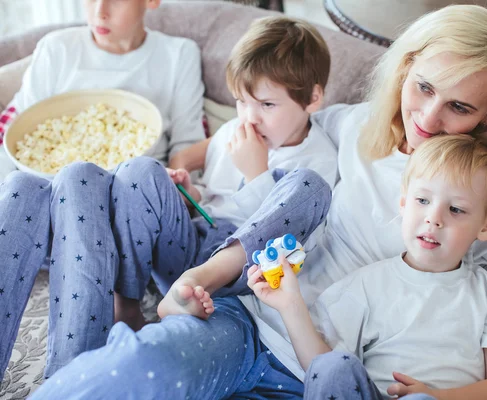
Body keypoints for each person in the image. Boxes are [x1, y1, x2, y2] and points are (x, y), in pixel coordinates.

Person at [33, 4, 487, 400]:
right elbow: (267, 125)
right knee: (137, 366)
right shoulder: (359, 126)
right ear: (407, 67)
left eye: (459, 106)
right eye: (424, 87)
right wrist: (188, 160)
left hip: (342, 381)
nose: (428, 120)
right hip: (248, 325)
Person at [0, 14, 335, 382]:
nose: (250, 118)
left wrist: (257, 175)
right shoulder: (231, 134)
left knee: (301, 188)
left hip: (244, 267)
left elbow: (295, 235)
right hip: (193, 245)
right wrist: (187, 192)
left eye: (267, 105)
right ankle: (126, 306)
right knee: (140, 171)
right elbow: (211, 194)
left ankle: (173, 298)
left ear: (313, 99)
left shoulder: (317, 158)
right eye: (241, 102)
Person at [248, 135, 487, 400]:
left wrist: (436, 397)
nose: (433, 219)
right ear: (403, 204)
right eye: (422, 200)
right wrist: (290, 305)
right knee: (336, 366)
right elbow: (319, 366)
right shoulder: (367, 284)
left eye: (456, 209)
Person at [0, 0, 206, 178]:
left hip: (140, 189)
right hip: (51, 189)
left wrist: (179, 188)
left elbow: (188, 144)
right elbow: (15, 133)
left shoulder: (179, 55)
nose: (99, 12)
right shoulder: (56, 49)